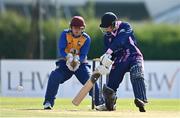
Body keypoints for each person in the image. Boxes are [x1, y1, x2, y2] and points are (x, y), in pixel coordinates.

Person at [43, 16, 103, 109]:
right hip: (65, 63)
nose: (77, 30)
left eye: (80, 28)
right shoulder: (65, 34)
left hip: (81, 65)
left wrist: (77, 60)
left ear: (83, 28)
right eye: (75, 28)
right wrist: (68, 57)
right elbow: (61, 50)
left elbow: (83, 54)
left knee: (91, 80)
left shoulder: (86, 38)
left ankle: (100, 103)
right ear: (71, 27)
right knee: (54, 76)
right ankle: (48, 102)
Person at [95, 12, 148, 112]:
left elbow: (120, 40)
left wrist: (108, 53)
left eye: (108, 27)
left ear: (114, 24)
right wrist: (105, 63)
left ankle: (141, 99)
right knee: (110, 86)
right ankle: (109, 105)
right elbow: (110, 53)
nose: (106, 30)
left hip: (133, 55)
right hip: (120, 59)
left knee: (137, 74)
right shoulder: (107, 37)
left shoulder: (125, 26)